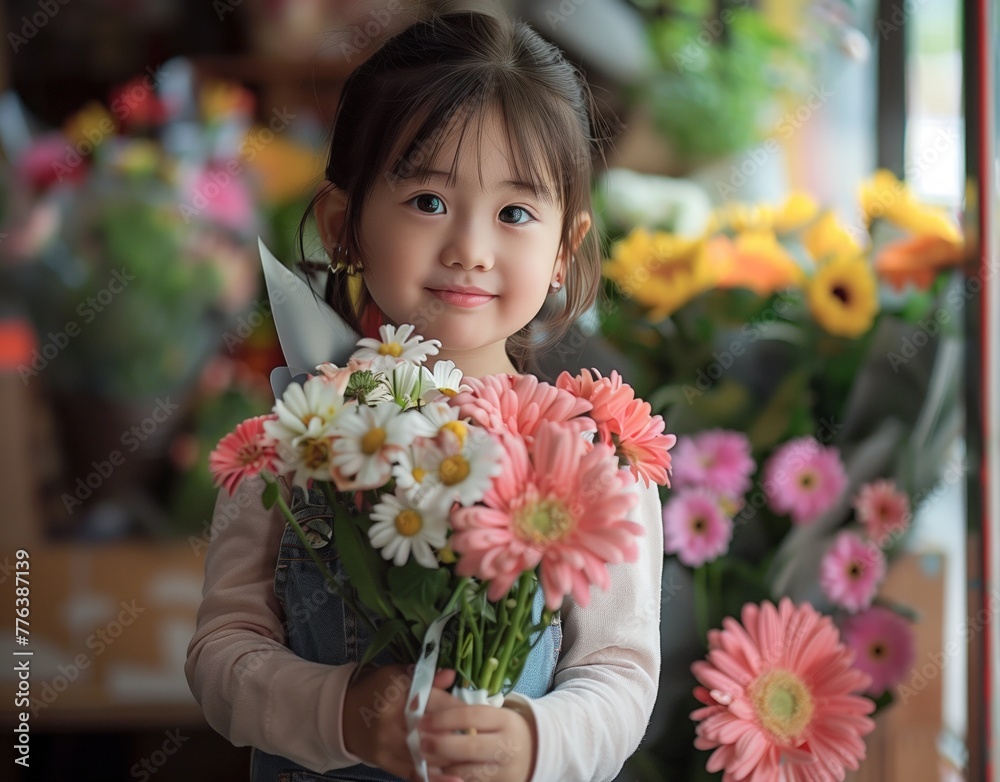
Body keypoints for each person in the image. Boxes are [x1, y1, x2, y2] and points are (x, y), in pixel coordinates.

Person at [185, 11, 664, 782]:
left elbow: (621, 673)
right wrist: (342, 711)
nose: (471, 249)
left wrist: (535, 742)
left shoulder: (596, 453)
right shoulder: (297, 438)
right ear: (345, 225)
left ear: (562, 251)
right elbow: (219, 660)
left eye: (515, 214)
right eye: (429, 202)